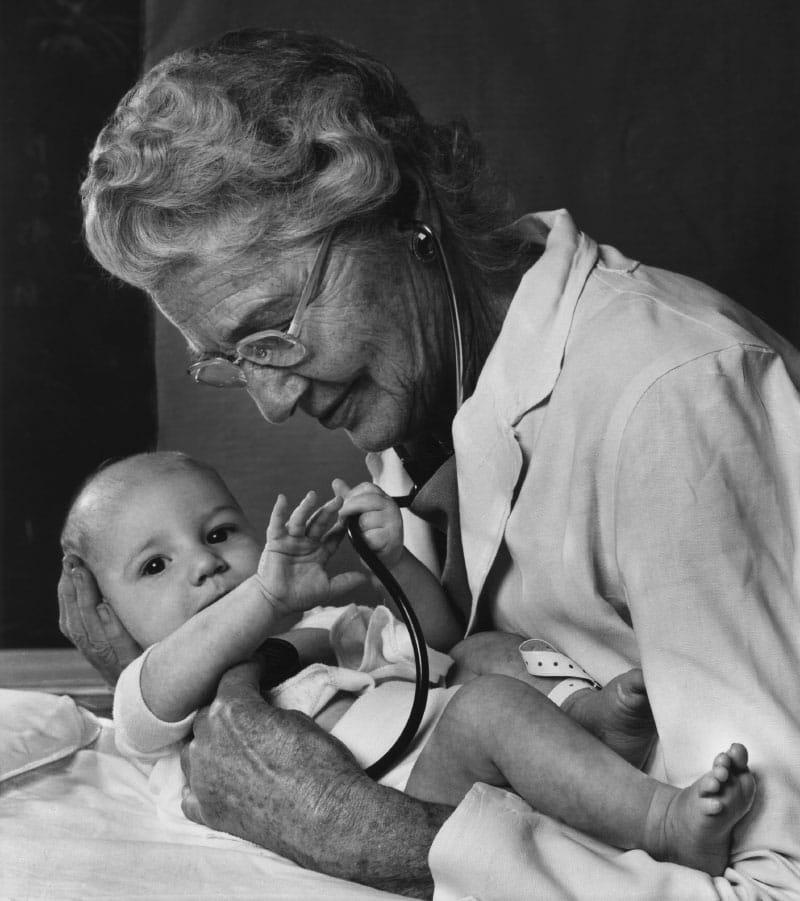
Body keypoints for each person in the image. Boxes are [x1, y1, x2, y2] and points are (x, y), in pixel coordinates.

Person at [60, 27, 800, 899]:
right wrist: (180, 675)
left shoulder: (676, 399)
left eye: (273, 330)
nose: (273, 401)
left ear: (400, 208)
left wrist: (356, 830)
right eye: (231, 360)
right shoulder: (416, 392)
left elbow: (774, 882)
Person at [60, 449, 753, 876]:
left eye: (218, 532)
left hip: (447, 732)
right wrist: (265, 596)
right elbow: (140, 706)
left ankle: (587, 720)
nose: (205, 563)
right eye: (155, 564)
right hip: (412, 793)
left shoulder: (325, 629)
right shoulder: (166, 702)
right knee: (490, 709)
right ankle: (666, 823)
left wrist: (394, 562)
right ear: (113, 620)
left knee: (486, 650)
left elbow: (437, 645)